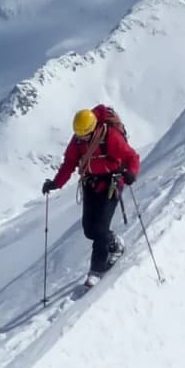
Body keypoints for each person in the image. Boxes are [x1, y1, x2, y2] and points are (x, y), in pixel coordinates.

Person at [42, 105, 142, 279]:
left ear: (93, 127)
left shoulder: (110, 137)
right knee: (89, 229)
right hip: (91, 184)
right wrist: (55, 183)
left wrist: (131, 173)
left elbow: (131, 157)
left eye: (84, 135)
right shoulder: (78, 140)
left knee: (100, 228)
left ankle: (96, 271)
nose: (82, 138)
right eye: (79, 135)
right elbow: (69, 163)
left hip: (112, 183)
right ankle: (115, 243)